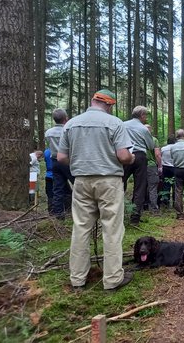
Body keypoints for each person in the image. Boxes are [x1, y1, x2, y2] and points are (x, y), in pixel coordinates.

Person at [57, 89, 135, 291]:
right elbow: (124, 156)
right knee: (112, 229)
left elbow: (61, 158)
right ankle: (112, 279)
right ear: (109, 105)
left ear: (92, 101)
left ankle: (77, 279)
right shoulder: (115, 123)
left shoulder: (71, 124)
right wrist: (131, 158)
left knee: (81, 228)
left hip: (81, 180)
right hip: (109, 180)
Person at [123, 106, 155, 225]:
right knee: (140, 186)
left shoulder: (122, 125)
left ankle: (118, 212)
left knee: (120, 183)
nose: (146, 117)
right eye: (145, 115)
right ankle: (135, 217)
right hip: (140, 156)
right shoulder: (143, 129)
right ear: (141, 115)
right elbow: (151, 146)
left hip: (124, 155)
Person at [46, 109, 74, 220]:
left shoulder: (48, 132)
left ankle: (58, 214)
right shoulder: (68, 130)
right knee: (78, 185)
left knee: (57, 188)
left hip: (55, 162)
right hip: (67, 161)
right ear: (65, 118)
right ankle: (81, 210)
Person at [144, 124, 162, 213]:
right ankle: (154, 208)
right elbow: (157, 155)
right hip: (151, 166)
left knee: (141, 187)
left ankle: (141, 207)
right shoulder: (154, 140)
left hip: (140, 166)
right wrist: (160, 166)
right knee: (153, 187)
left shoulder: (138, 140)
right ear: (150, 130)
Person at [159, 134, 176, 209]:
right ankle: (176, 202)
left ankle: (166, 202)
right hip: (175, 167)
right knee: (176, 185)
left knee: (166, 185)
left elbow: (160, 157)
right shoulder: (176, 148)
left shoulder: (163, 148)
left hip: (165, 168)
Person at [44, 148, 54, 213]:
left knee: (50, 194)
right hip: (58, 176)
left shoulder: (46, 151)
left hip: (48, 175)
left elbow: (45, 160)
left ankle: (51, 210)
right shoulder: (60, 149)